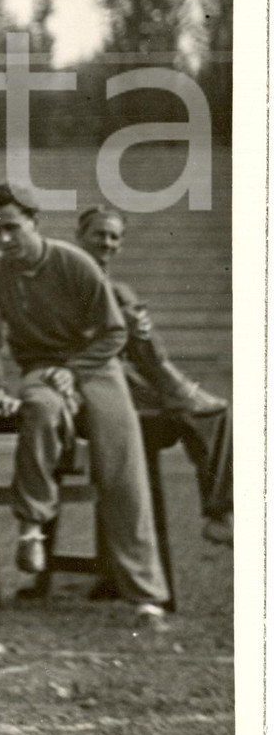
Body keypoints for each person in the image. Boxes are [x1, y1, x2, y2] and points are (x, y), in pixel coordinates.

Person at [0, 183, 170, 629]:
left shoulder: (73, 263)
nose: (4, 240)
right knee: (38, 410)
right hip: (41, 367)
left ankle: (147, 598)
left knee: (123, 471)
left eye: (12, 228)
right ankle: (31, 529)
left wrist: (76, 369)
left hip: (95, 365)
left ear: (34, 222)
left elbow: (115, 332)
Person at [76, 204, 232, 549]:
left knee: (216, 414)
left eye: (114, 236)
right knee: (204, 411)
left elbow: (138, 348)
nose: (107, 242)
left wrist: (139, 333)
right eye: (99, 234)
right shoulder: (69, 280)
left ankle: (220, 514)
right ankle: (177, 389)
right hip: (89, 385)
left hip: (128, 382)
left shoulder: (119, 289)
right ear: (80, 237)